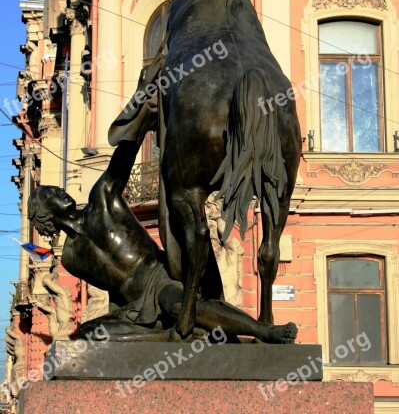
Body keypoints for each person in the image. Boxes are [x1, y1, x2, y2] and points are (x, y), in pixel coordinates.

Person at [28, 85, 296, 344]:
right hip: (134, 306)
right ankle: (169, 336)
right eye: (51, 194)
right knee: (89, 332)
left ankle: (263, 331)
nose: (60, 192)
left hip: (159, 278)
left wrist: (142, 112)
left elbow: (124, 157)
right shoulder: (70, 259)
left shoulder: (101, 200)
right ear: (45, 215)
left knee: (177, 305)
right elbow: (111, 290)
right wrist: (118, 316)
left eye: (56, 189)